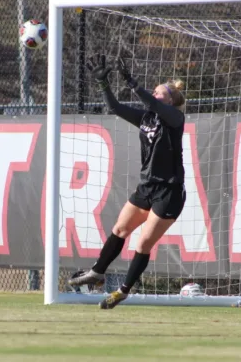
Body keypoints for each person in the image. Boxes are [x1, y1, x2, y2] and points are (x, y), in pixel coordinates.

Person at [68, 53, 187, 309]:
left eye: (159, 92)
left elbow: (156, 106)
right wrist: (103, 83)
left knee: (144, 242)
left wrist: (133, 84)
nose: (154, 95)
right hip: (147, 187)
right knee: (120, 230)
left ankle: (123, 291)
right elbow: (115, 108)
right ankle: (98, 272)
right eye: (153, 91)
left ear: (171, 100)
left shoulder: (176, 119)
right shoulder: (147, 118)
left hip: (170, 191)